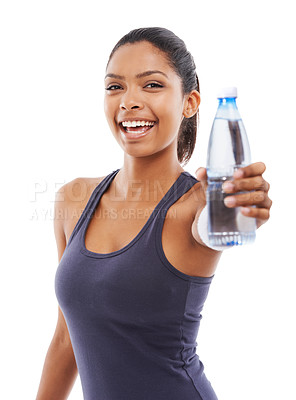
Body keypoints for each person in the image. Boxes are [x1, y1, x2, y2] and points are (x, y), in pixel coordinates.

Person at [36, 27, 272, 400]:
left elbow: (212, 226)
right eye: (115, 87)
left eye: (151, 85)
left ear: (189, 102)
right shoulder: (73, 200)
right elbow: (67, 336)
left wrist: (239, 205)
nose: (129, 101)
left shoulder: (196, 205)